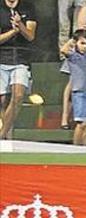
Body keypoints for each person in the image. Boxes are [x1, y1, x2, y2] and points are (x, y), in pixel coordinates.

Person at [0, 0, 37, 141]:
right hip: (2, 57)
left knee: (18, 95)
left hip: (21, 58)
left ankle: (2, 135)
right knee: (3, 100)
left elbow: (30, 36)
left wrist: (20, 24)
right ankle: (7, 137)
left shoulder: (28, 6)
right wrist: (13, 32)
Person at [60, 30, 86, 146]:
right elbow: (63, 50)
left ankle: (84, 148)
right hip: (80, 92)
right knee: (81, 123)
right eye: (82, 43)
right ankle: (76, 147)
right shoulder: (73, 56)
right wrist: (73, 40)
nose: (85, 46)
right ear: (76, 43)